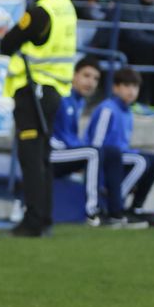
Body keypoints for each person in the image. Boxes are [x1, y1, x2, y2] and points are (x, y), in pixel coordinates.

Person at [0, 0, 78, 237]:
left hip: (34, 90)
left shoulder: (41, 10)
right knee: (42, 155)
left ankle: (33, 220)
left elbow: (7, 44)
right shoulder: (66, 6)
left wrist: (3, 34)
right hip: (54, 90)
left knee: (31, 156)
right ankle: (43, 217)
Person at [87, 67, 154, 227]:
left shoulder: (128, 112)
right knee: (141, 162)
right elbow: (96, 144)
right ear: (116, 88)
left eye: (135, 87)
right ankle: (114, 202)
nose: (132, 91)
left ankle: (136, 207)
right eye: (127, 86)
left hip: (122, 154)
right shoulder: (107, 109)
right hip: (108, 156)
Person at [48, 59, 114, 225]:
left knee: (108, 152)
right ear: (74, 75)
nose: (90, 82)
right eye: (86, 76)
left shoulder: (79, 101)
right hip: (50, 155)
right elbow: (61, 138)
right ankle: (93, 212)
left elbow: (71, 137)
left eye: (95, 79)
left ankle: (115, 208)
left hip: (64, 153)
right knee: (93, 152)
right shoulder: (62, 97)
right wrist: (77, 155)